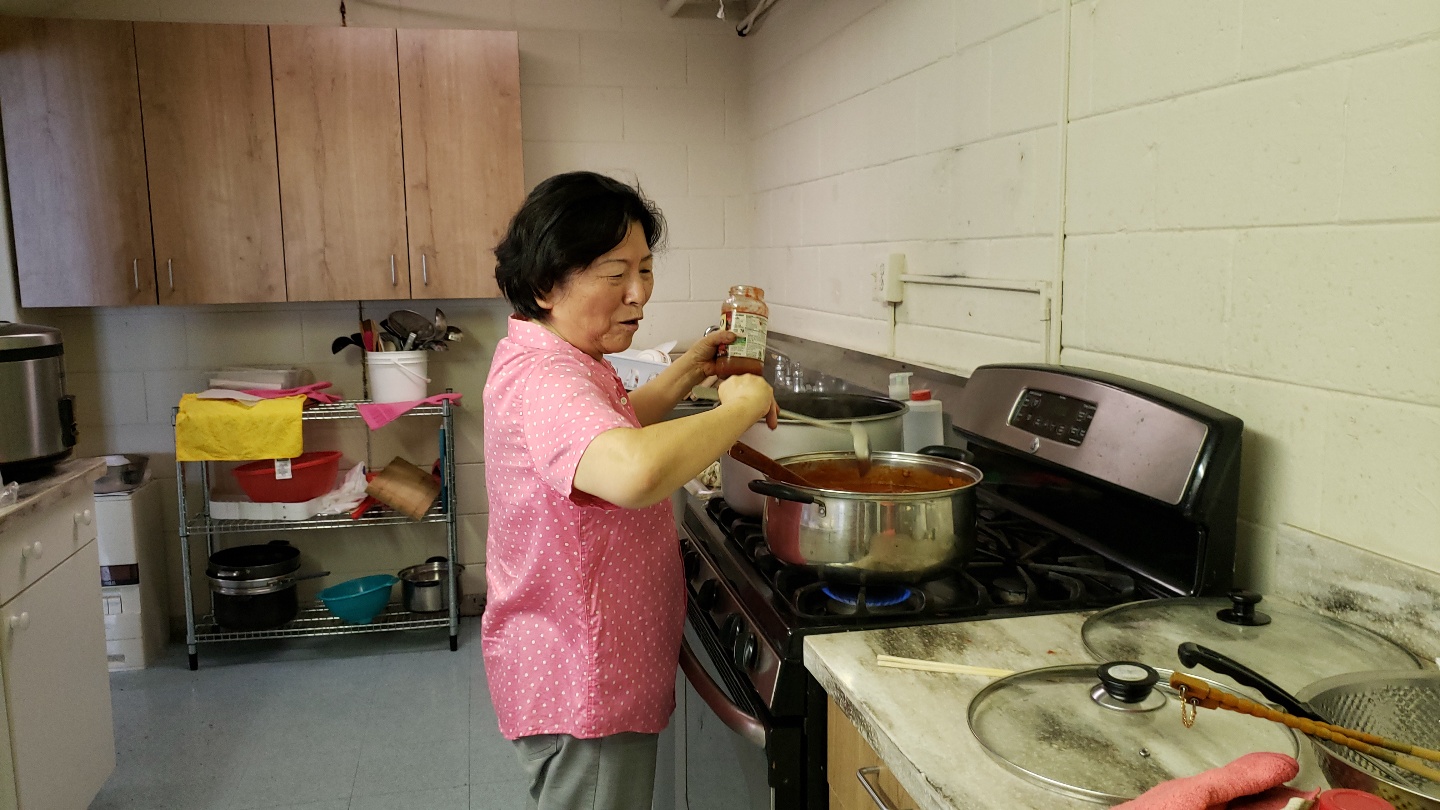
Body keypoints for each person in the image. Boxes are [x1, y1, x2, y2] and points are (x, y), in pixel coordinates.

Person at [481, 171, 778, 810]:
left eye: (644, 269)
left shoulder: (556, 357)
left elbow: (610, 428)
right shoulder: (546, 378)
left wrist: (687, 372)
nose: (639, 292)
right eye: (615, 274)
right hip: (583, 682)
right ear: (544, 285)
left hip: (577, 661)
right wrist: (740, 408)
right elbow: (630, 471)